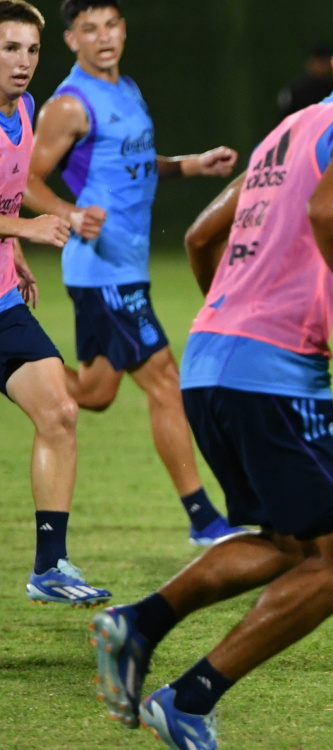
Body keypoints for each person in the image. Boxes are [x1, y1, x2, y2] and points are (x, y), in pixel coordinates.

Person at [87, 1, 333, 746]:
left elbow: (202, 234)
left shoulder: (286, 132)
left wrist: (239, 313)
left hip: (211, 363)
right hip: (272, 372)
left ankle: (135, 625)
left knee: (291, 545)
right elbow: (331, 208)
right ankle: (191, 699)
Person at [24, 0, 244, 546]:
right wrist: (70, 214)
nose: (104, 37)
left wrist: (192, 165)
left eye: (112, 25)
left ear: (123, 29)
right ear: (71, 39)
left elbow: (137, 166)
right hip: (103, 272)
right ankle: (202, 520)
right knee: (167, 380)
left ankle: (25, 373)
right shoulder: (68, 105)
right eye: (89, 29)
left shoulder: (127, 91)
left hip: (126, 269)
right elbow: (25, 181)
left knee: (94, 395)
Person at [0, 0, 111, 606]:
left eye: (32, 49)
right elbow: (18, 215)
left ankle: (50, 567)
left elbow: (6, 199)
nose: (23, 62)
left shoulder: (23, 110)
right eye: (9, 48)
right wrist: (30, 231)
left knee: (60, 412)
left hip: (1, 303)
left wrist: (13, 250)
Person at [275, 41, 333, 123]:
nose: (320, 66)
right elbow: (284, 119)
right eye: (317, 61)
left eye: (323, 61)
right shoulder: (295, 90)